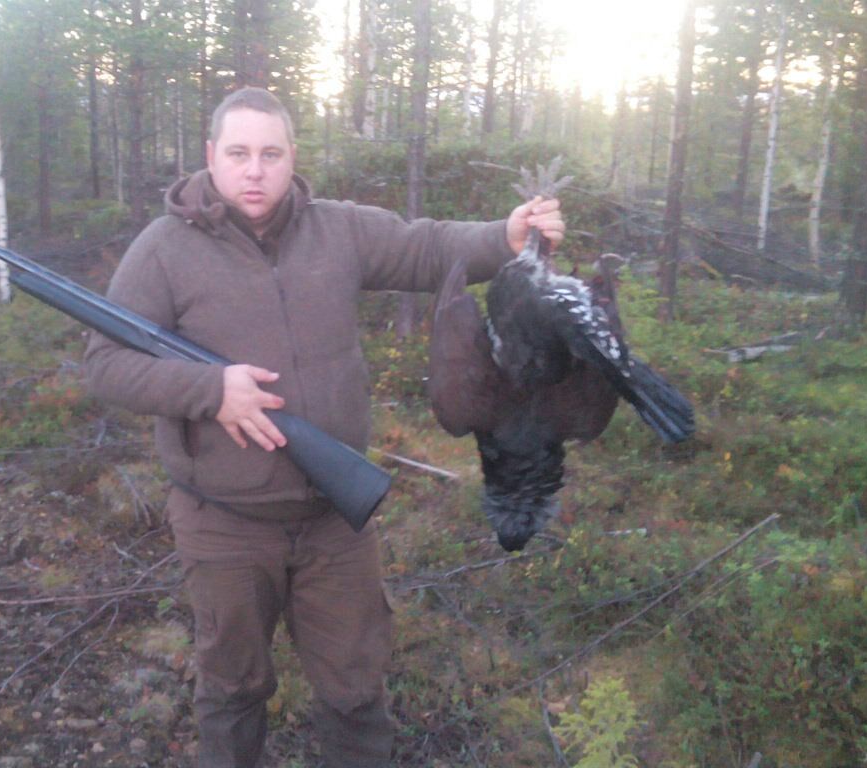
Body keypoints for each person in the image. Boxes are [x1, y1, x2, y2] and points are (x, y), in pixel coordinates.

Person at [84, 87, 564, 768]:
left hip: (337, 518)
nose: (255, 171)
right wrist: (209, 391)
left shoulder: (337, 229)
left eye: (271, 154)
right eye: (239, 153)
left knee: (356, 692)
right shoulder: (163, 249)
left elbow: (426, 247)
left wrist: (505, 237)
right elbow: (105, 364)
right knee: (232, 691)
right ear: (211, 156)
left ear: (292, 157)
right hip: (224, 524)